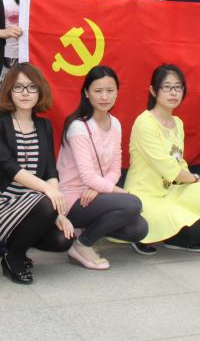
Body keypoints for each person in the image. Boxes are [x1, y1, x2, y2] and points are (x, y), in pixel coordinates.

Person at [0, 64, 74, 284]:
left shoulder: (44, 125)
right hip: (0, 206)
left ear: (40, 92)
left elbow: (50, 169)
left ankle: (18, 248)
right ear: (9, 91)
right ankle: (13, 258)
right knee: (47, 203)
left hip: (35, 205)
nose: (25, 93)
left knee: (63, 240)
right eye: (19, 87)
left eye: (32, 87)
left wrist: (58, 212)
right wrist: (50, 194)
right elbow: (9, 167)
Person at [56, 66, 148, 268]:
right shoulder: (78, 127)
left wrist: (99, 189)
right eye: (98, 91)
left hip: (96, 194)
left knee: (139, 228)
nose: (104, 96)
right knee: (132, 203)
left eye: (110, 90)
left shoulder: (115, 124)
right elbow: (87, 176)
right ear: (87, 93)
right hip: (73, 198)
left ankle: (84, 236)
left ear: (117, 92)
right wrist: (116, 191)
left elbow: (115, 168)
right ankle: (82, 244)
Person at [124, 65, 200, 253]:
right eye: (167, 87)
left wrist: (195, 183)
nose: (173, 93)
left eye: (178, 87)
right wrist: (193, 179)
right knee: (198, 231)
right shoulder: (144, 122)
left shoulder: (177, 123)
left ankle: (172, 232)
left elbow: (179, 162)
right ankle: (145, 232)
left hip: (169, 192)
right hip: (146, 196)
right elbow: (167, 167)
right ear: (153, 90)